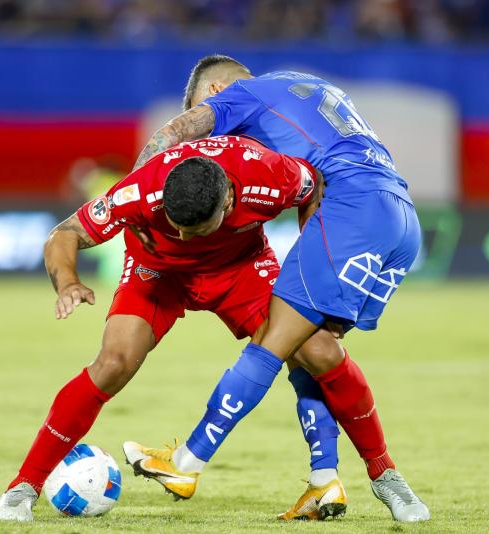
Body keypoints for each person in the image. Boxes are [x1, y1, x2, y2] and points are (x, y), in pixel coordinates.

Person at [124, 56, 430, 522]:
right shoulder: (304, 85)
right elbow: (315, 180)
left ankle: (186, 463)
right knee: (316, 350)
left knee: (272, 341)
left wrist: (138, 199)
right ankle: (332, 480)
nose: (214, 143)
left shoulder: (238, 95)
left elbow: (172, 134)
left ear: (215, 91)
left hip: (353, 209)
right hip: (400, 219)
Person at [0, 136, 353, 521]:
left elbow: (314, 184)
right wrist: (68, 283)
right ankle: (23, 486)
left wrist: (314, 275)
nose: (183, 237)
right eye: (176, 225)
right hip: (157, 272)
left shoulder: (268, 175)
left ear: (228, 204)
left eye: (194, 229)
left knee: (316, 350)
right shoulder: (140, 191)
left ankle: (333, 478)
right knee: (114, 362)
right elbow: (63, 235)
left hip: (240, 270)